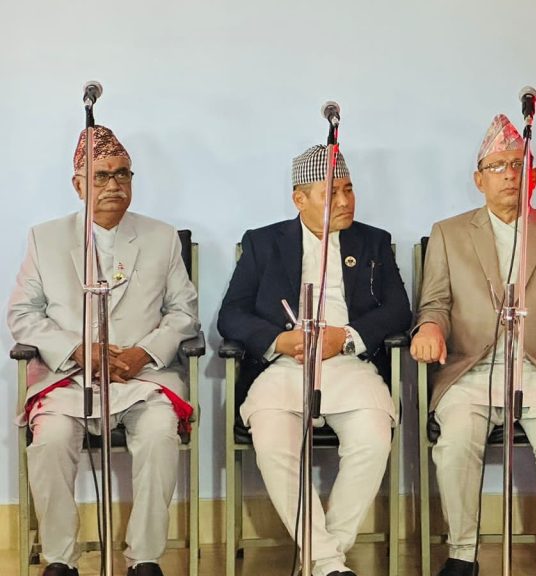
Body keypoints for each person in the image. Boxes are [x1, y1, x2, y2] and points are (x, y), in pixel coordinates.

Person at [411, 114, 536, 576]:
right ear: (478, 179)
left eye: (518, 165)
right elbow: (434, 303)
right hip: (471, 369)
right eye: (497, 167)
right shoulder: (449, 233)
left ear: (533, 175)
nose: (509, 175)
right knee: (456, 441)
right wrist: (429, 327)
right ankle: (462, 554)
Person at [7, 125, 200, 576]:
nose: (114, 185)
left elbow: (184, 312)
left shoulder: (161, 237)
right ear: (78, 185)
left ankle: (145, 558)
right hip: (69, 379)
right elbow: (22, 314)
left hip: (143, 378)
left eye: (123, 174)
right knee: (50, 440)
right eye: (101, 176)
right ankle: (60, 558)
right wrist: (77, 350)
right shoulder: (46, 238)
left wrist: (144, 353)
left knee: (160, 434)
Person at [218, 144, 412, 576]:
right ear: (299, 199)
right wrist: (278, 340)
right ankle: (328, 563)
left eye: (349, 189)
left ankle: (322, 560)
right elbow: (231, 314)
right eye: (331, 193)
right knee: (273, 444)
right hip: (284, 367)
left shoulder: (374, 241)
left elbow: (399, 310)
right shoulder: (263, 243)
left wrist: (347, 336)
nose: (344, 201)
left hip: (349, 364)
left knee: (373, 440)